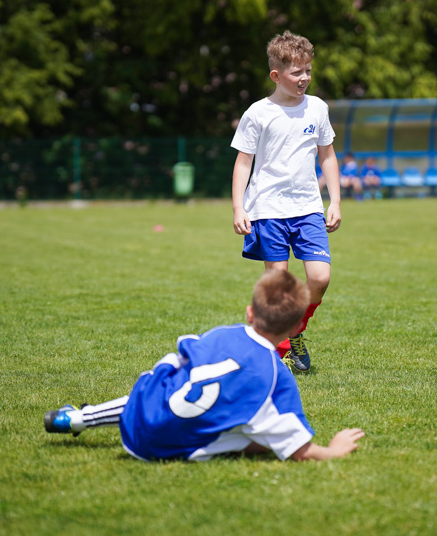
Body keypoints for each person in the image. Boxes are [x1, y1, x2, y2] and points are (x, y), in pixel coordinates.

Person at [44, 270, 365, 462]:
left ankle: (75, 418)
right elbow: (299, 449)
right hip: (169, 448)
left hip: (142, 418)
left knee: (167, 381)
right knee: (255, 429)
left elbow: (186, 350)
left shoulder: (223, 333)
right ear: (296, 327)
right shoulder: (277, 376)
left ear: (249, 314)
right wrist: (334, 450)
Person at [231, 31, 341, 372]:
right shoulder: (258, 113)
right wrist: (239, 207)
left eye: (308, 70)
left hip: (308, 207)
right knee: (278, 285)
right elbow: (243, 162)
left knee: (320, 278)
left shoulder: (318, 108)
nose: (304, 78)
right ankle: (272, 353)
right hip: (268, 210)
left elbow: (327, 156)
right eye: (297, 72)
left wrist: (335, 200)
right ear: (276, 76)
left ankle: (295, 331)